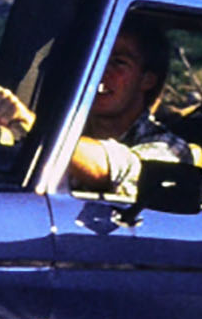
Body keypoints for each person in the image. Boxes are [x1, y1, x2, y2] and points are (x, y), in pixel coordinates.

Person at [66, 18, 188, 194]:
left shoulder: (169, 149)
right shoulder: (70, 130)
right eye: (95, 59)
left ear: (147, 80)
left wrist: (31, 129)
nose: (99, 70)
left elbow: (117, 169)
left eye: (118, 62)